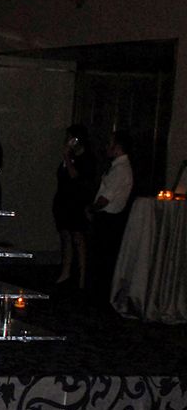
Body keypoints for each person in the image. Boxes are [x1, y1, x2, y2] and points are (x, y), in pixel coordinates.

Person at [89, 128, 134, 301]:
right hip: (107, 219)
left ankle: (100, 297)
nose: (106, 147)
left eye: (109, 144)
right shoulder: (117, 167)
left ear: (118, 147)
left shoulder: (120, 170)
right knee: (101, 259)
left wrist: (91, 209)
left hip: (109, 220)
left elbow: (105, 199)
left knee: (103, 259)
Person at [52, 123, 98, 290]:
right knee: (66, 236)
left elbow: (75, 176)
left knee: (78, 238)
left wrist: (67, 157)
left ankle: (82, 277)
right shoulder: (71, 157)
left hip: (77, 202)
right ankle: (66, 272)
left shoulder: (87, 159)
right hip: (63, 201)